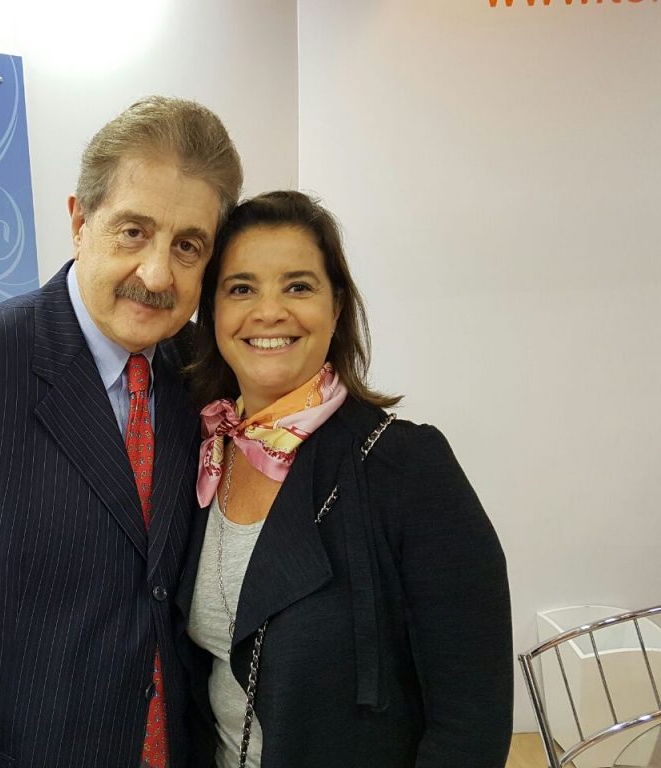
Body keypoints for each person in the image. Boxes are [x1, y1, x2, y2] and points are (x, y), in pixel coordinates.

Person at [0, 96, 243, 768]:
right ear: (80, 222)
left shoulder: (204, 374)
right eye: (133, 231)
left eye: (188, 246)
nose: (157, 274)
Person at [176, 191, 513, 767]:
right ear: (214, 313)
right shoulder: (203, 453)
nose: (269, 311)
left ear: (336, 309)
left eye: (298, 286)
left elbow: (471, 723)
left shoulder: (407, 466)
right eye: (241, 288)